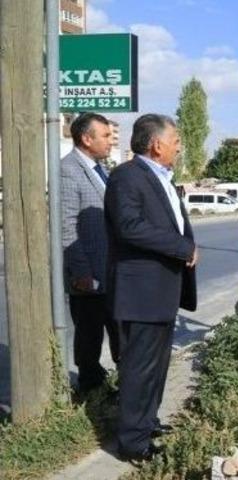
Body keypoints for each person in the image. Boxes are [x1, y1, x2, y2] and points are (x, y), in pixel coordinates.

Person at [105, 114, 199, 462]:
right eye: (175, 139)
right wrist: (182, 248)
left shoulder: (161, 178)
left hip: (160, 291)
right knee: (139, 368)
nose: (179, 146)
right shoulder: (126, 177)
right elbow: (130, 226)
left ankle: (146, 423)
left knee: (157, 368)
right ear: (157, 144)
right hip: (139, 294)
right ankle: (132, 443)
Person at [61, 112, 121, 394]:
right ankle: (90, 398)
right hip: (89, 278)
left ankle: (117, 393)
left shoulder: (99, 168)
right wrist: (81, 272)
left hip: (110, 274)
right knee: (89, 342)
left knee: (120, 335)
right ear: (87, 139)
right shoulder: (69, 170)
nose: (111, 141)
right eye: (106, 136)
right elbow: (66, 226)